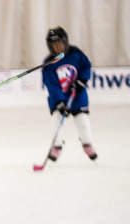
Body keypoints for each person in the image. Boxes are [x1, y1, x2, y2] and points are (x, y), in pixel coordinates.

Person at [42, 26, 97, 162]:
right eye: (54, 45)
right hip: (60, 96)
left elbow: (86, 66)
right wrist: (60, 101)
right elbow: (52, 86)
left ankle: (87, 143)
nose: (58, 47)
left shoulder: (76, 54)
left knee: (82, 120)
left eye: (60, 43)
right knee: (56, 119)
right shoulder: (49, 63)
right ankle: (57, 146)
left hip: (77, 95)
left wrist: (81, 81)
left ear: (65, 42)